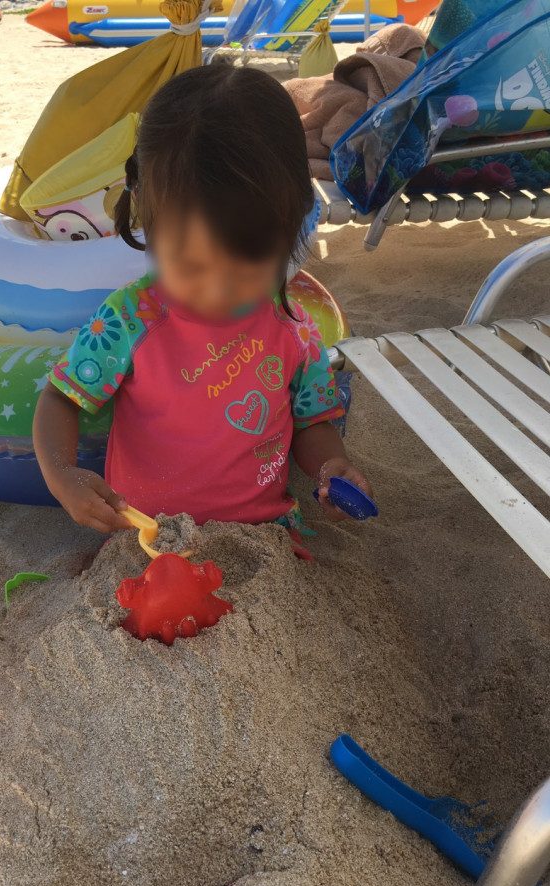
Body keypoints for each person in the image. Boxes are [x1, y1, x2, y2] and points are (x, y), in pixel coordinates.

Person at [33, 65, 372, 536]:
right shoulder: (128, 320)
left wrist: (331, 466)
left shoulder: (293, 328)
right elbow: (60, 398)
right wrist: (61, 475)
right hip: (146, 535)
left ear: (292, 226)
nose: (216, 289)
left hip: (262, 536)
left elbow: (312, 422)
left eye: (246, 267)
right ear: (147, 217)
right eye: (192, 266)